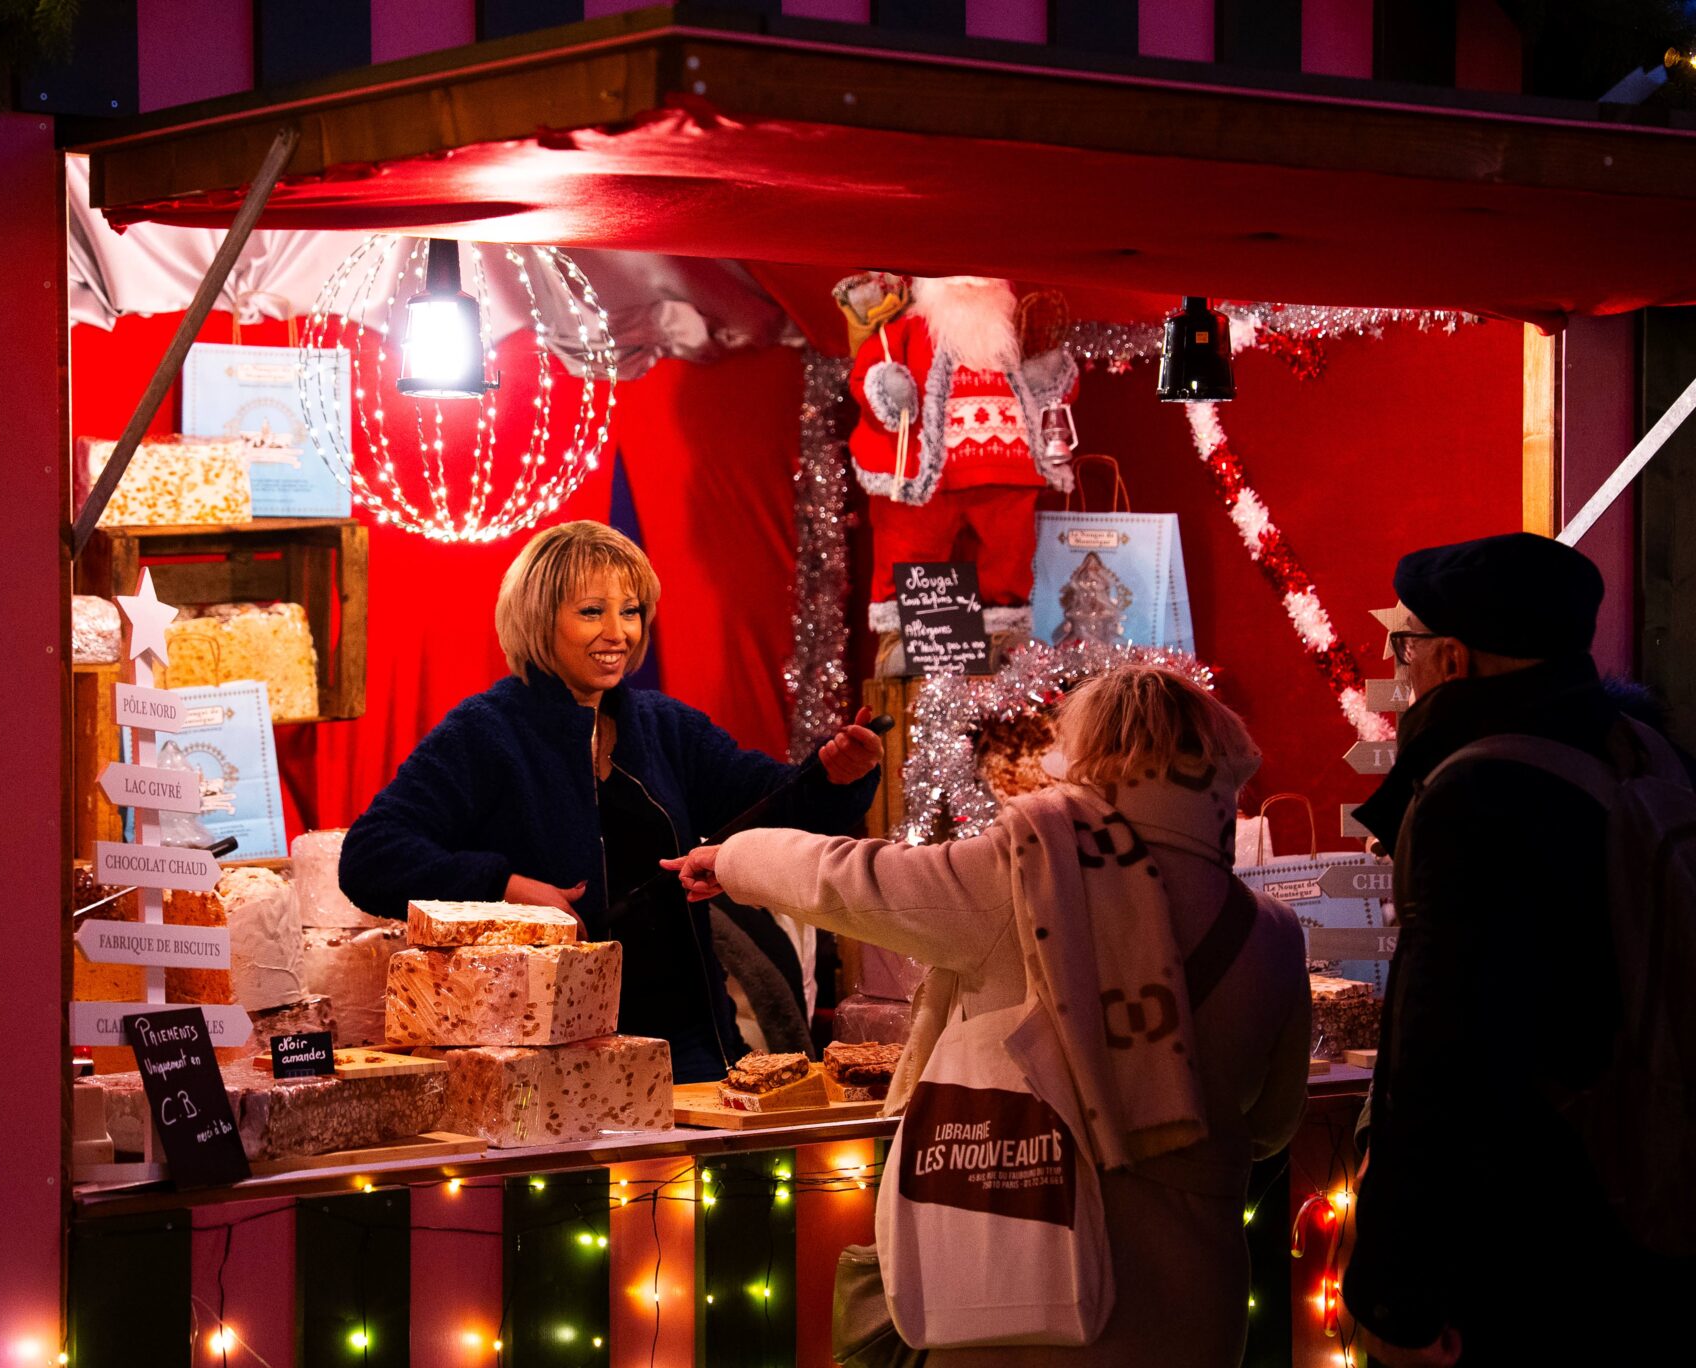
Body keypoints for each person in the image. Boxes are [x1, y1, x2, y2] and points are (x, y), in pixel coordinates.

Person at [665, 666, 1311, 1366]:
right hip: (1197, 1303)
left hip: (1027, 1292)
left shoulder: (1031, 876)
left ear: (1085, 758)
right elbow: (1273, 1127)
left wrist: (734, 857)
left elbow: (856, 880)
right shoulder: (1273, 934)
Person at [338, 520, 883, 1083]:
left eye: (631, 610)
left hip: (690, 1047)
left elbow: (779, 807)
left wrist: (837, 775)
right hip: (541, 1061)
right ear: (538, 618)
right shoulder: (483, 734)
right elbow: (370, 857)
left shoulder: (666, 728)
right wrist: (504, 888)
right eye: (592, 611)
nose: (619, 632)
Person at [1344, 531, 1693, 1366]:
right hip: (1655, 1198)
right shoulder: (1649, 752)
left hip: (1526, 1237)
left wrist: (1396, 1293)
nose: (1402, 664)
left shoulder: (1478, 793)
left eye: (1407, 644)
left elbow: (1443, 1054)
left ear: (1453, 659)